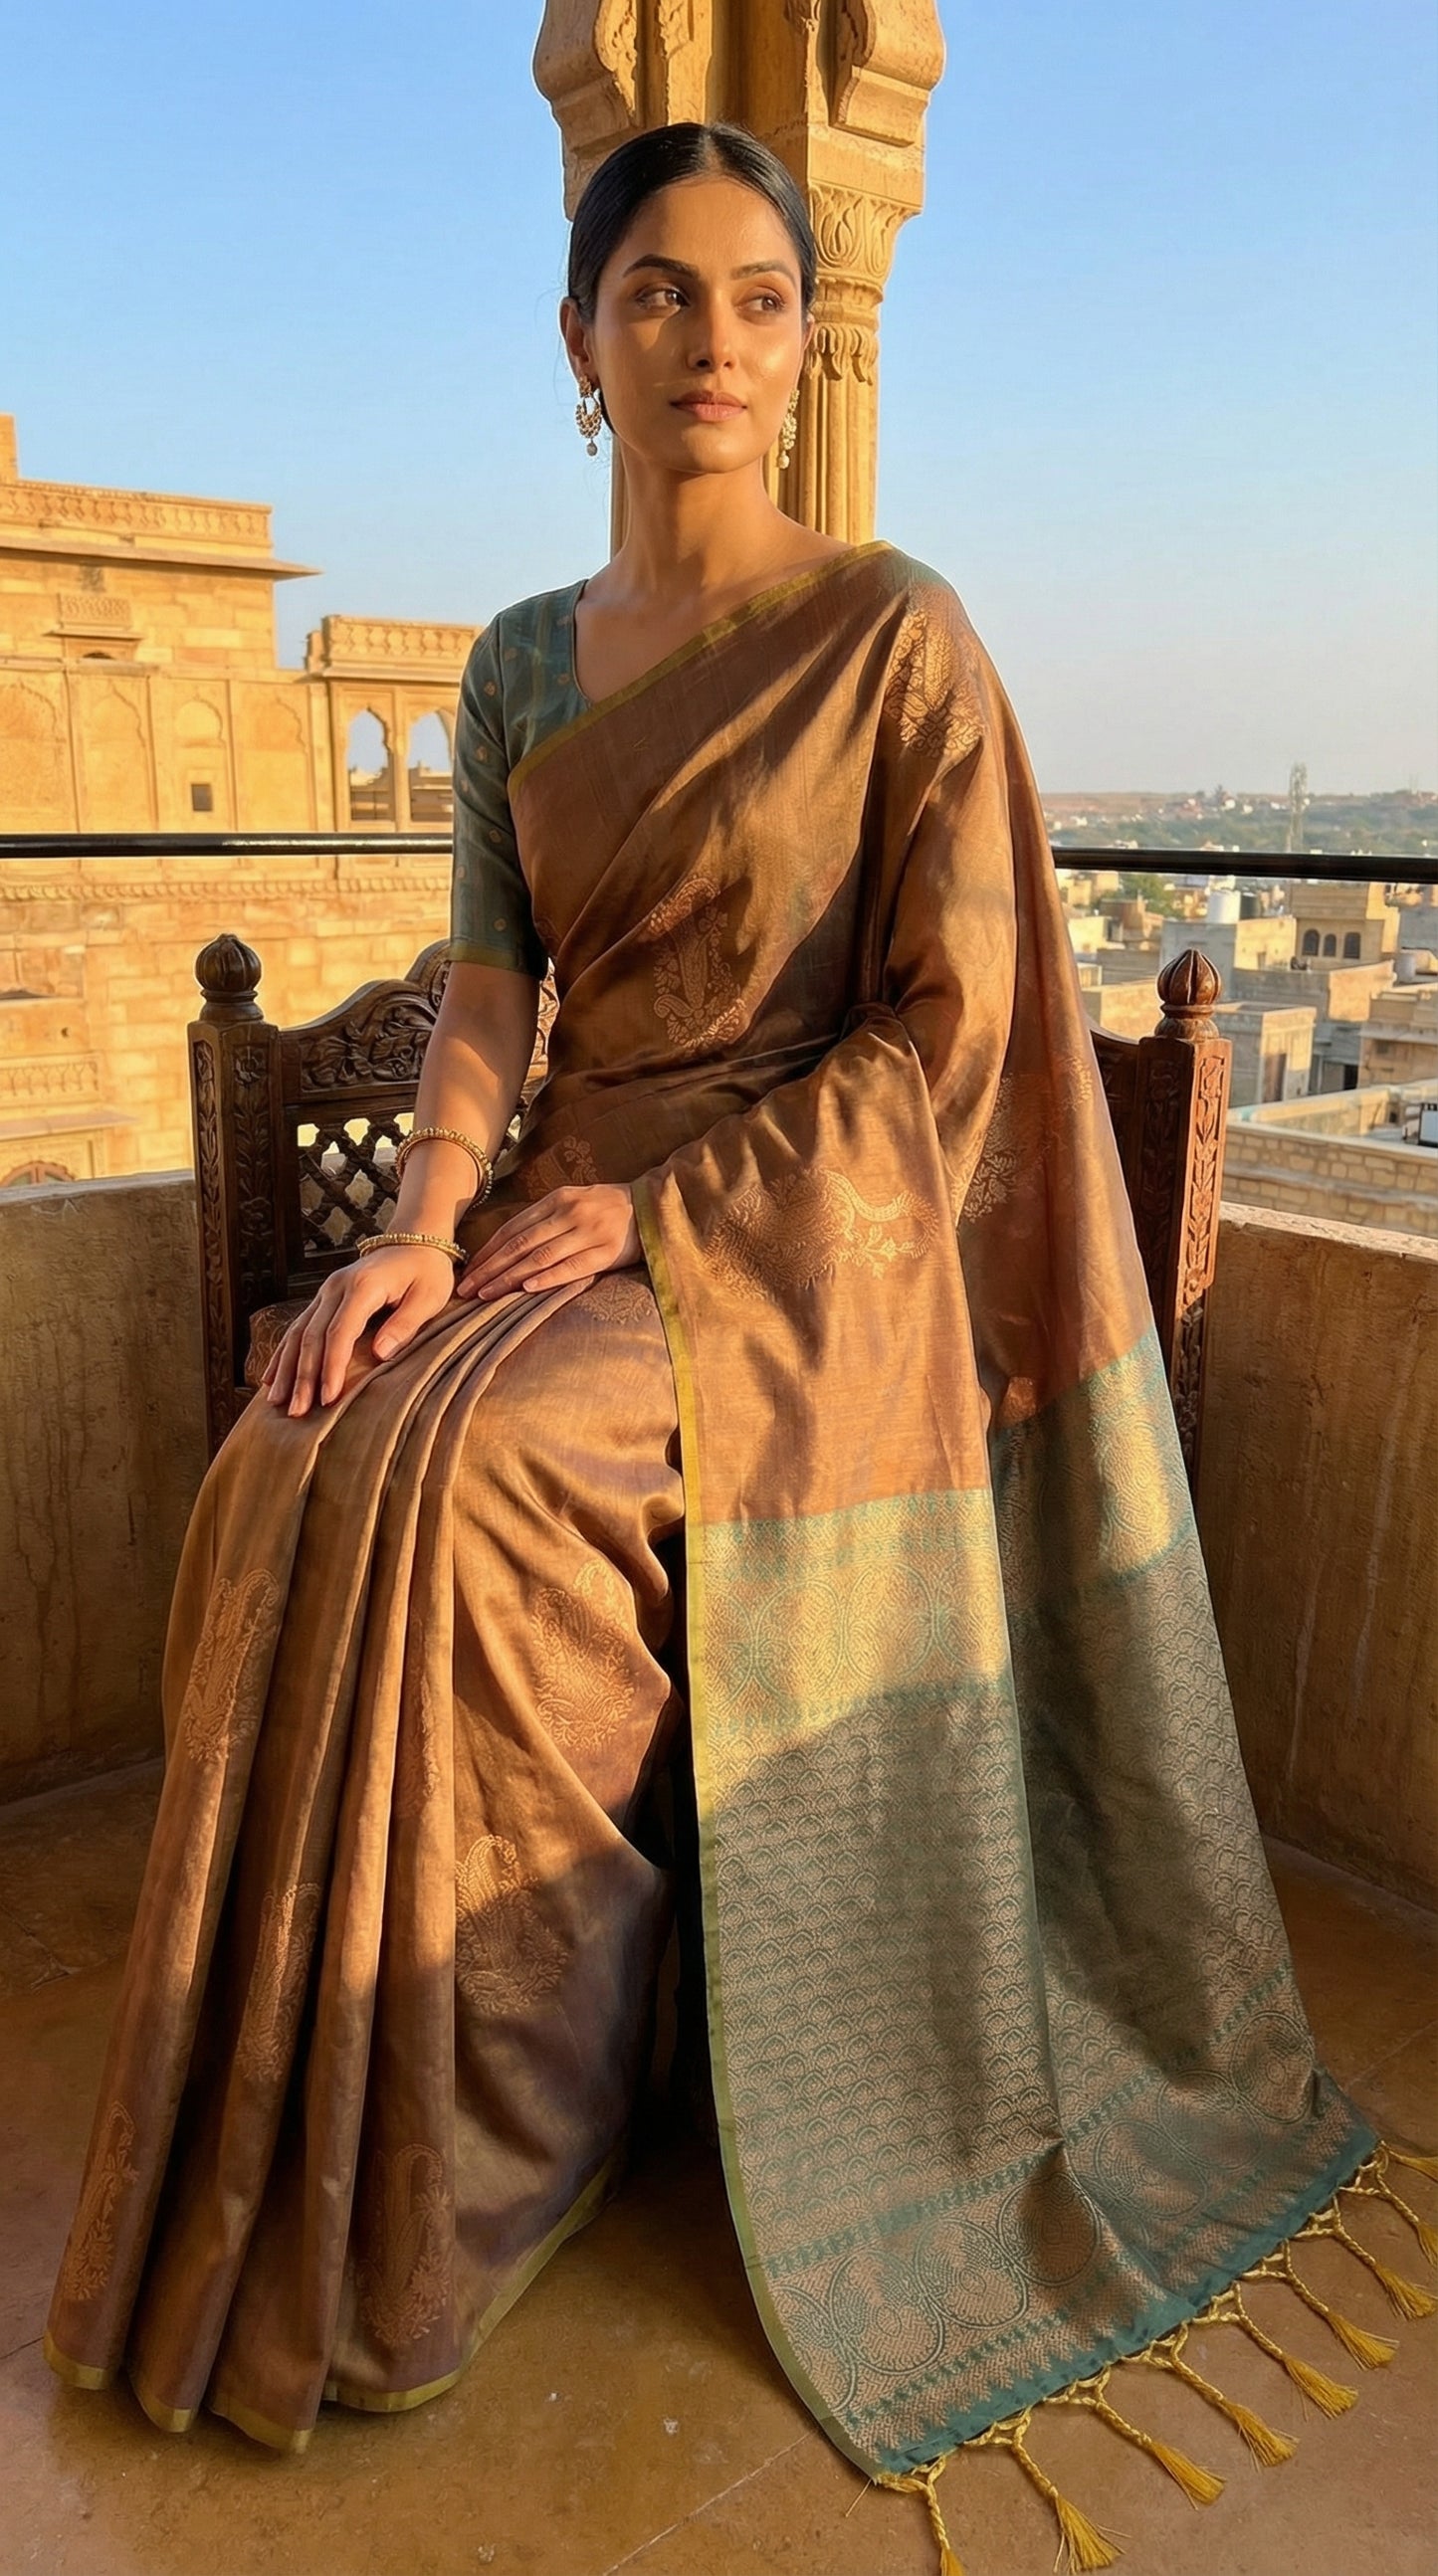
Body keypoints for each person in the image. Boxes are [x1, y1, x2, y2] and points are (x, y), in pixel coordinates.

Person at [46, 119, 1435, 2571]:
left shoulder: (896, 635)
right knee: (298, 1443)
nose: (710, 339)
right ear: (579, 345)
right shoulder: (508, 664)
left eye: (760, 298)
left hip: (815, 1242)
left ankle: (478, 2154)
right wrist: (427, 1231)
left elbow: (946, 1036)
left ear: (810, 346)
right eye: (658, 294)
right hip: (557, 1193)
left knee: (471, 1488)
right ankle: (324, 2124)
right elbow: (492, 1005)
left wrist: (661, 1212)